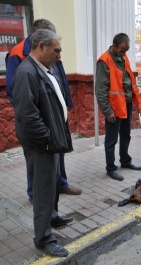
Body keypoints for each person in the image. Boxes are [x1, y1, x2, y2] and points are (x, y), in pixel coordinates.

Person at [5, 19, 82, 202]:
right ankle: (35, 194)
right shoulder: (18, 55)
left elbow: (59, 80)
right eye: (53, 44)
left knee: (57, 154)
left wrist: (64, 106)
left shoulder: (51, 50)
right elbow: (15, 93)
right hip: (38, 120)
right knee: (37, 162)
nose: (57, 51)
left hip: (54, 116)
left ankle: (60, 184)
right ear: (40, 42)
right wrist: (39, 122)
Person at [13, 29, 74, 257]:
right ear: (41, 46)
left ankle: (53, 216)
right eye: (56, 50)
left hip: (51, 142)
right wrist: (47, 139)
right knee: (43, 190)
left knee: (53, 184)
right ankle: (43, 238)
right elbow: (27, 115)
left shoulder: (45, 69)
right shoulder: (27, 72)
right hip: (42, 145)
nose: (59, 55)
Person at [95, 33, 141, 181]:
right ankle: (111, 168)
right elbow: (100, 90)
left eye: (126, 51)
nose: (124, 54)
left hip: (125, 104)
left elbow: (127, 80)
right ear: (114, 46)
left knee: (126, 134)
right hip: (114, 107)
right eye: (121, 50)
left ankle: (125, 161)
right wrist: (107, 111)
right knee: (111, 139)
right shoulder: (104, 61)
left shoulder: (123, 57)